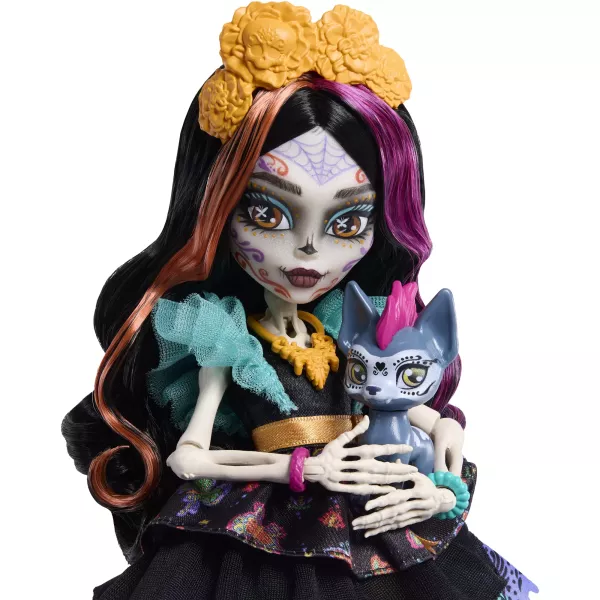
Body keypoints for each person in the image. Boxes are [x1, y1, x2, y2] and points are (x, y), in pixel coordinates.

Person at [62, 4, 538, 599]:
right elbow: (190, 460)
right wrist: (304, 468)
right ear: (215, 211)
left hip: (367, 516)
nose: (308, 250)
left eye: (347, 222)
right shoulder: (225, 337)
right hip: (258, 522)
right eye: (268, 213)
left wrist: (441, 483)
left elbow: (428, 423)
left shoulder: (350, 330)